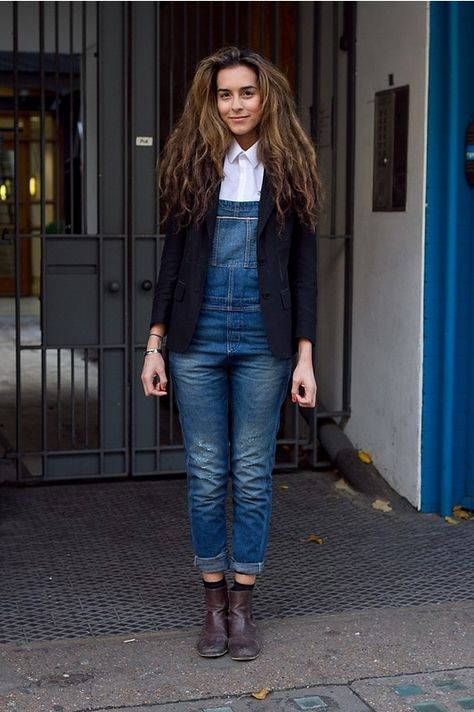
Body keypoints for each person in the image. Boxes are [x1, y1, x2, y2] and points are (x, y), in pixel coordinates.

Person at [141, 46, 321, 662]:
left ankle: (243, 605)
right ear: (211, 100)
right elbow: (170, 265)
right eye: (225, 94)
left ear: (265, 96)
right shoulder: (195, 165)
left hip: (264, 345)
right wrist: (154, 346)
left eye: (246, 92)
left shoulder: (291, 168)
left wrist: (304, 357)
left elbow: (304, 274)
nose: (236, 104)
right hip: (195, 339)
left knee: (250, 474)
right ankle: (212, 603)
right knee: (205, 476)